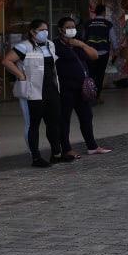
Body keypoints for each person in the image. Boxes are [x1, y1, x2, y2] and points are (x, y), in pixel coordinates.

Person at [2, 19, 69, 168]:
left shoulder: (50, 45)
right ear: (32, 32)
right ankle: (36, 157)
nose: (45, 32)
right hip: (32, 91)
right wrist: (20, 76)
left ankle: (56, 153)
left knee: (53, 122)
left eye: (46, 29)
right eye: (41, 30)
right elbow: (7, 61)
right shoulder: (23, 47)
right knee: (33, 124)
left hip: (51, 89)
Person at [53, 16, 109, 157]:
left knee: (86, 117)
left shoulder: (78, 44)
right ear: (60, 29)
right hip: (65, 88)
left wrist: (81, 45)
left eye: (73, 27)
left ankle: (92, 146)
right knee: (64, 119)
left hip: (82, 88)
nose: (71, 30)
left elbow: (95, 55)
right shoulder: (55, 45)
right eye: (68, 27)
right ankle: (66, 149)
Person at [83, 4, 116, 98]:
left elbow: (83, 37)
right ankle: (97, 96)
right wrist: (116, 49)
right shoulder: (108, 24)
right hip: (103, 52)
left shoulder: (88, 23)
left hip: (89, 52)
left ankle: (90, 94)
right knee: (100, 74)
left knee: (91, 73)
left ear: (95, 12)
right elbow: (113, 39)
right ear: (104, 12)